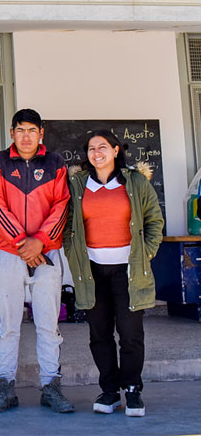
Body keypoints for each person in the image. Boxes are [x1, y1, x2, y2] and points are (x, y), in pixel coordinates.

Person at [63, 130, 163, 417]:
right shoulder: (79, 184)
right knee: (99, 334)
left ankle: (132, 389)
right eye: (91, 148)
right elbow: (69, 225)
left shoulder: (135, 182)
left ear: (116, 150)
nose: (97, 153)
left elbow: (154, 220)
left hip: (129, 271)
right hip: (92, 271)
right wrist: (73, 256)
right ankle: (109, 391)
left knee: (131, 334)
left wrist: (146, 253)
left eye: (103, 147)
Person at [0, 108, 74, 413]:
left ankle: (52, 387)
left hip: (47, 253)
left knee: (48, 325)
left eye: (32, 130)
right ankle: (5, 388)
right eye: (20, 130)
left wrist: (41, 243)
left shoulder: (56, 163)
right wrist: (26, 246)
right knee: (8, 325)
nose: (26, 136)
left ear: (41, 134)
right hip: (9, 253)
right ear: (12, 133)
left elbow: (62, 205)